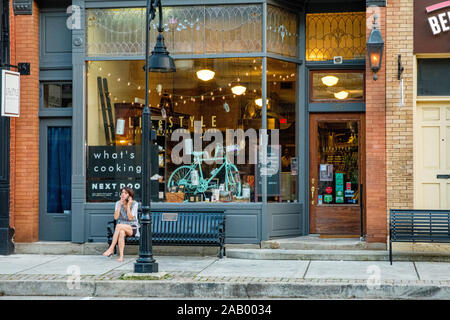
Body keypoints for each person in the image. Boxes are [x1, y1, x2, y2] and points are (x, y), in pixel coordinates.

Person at [102, 187, 140, 262]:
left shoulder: (135, 204)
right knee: (121, 232)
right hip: (121, 228)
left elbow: (130, 218)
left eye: (125, 193)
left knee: (118, 226)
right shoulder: (118, 203)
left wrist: (128, 205)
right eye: (122, 192)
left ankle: (111, 248)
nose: (123, 194)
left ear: (130, 195)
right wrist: (120, 205)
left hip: (132, 228)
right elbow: (116, 217)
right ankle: (121, 256)